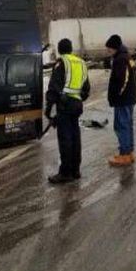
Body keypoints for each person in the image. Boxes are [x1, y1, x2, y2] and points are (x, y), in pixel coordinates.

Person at [45, 38, 90, 184]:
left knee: (65, 139)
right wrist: (77, 99)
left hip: (64, 105)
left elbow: (54, 87)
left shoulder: (61, 62)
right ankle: (75, 170)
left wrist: (49, 110)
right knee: (75, 137)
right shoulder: (81, 63)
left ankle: (65, 173)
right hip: (77, 104)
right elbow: (86, 89)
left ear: (60, 49)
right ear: (71, 49)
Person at [105, 34, 136, 166]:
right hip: (129, 97)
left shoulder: (121, 59)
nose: (108, 52)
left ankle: (124, 154)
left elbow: (122, 81)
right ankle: (129, 152)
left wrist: (116, 96)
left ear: (115, 48)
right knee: (128, 125)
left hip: (123, 99)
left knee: (121, 126)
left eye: (109, 49)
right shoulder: (126, 56)